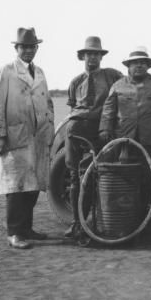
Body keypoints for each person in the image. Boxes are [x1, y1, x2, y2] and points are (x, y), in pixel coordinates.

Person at [0, 27, 54, 249]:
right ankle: (14, 232)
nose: (28, 50)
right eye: (24, 47)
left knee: (33, 185)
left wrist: (49, 130)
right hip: (16, 137)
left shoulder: (40, 72)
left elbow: (48, 102)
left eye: (32, 47)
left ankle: (27, 229)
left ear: (36, 48)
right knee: (16, 185)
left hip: (38, 138)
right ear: (17, 48)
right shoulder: (6, 71)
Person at [64, 36, 123, 238]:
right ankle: (76, 223)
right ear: (83, 56)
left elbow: (123, 93)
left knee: (97, 174)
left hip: (100, 129)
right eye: (89, 54)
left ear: (101, 56)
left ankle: (99, 221)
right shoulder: (75, 82)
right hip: (76, 129)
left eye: (96, 54)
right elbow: (73, 109)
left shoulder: (112, 76)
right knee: (74, 176)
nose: (92, 58)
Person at [99, 47, 151, 176]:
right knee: (125, 172)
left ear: (148, 66)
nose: (139, 65)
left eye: (143, 62)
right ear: (128, 66)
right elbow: (108, 109)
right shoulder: (118, 85)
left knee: (150, 173)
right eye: (135, 63)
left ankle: (150, 196)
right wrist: (104, 129)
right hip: (124, 137)